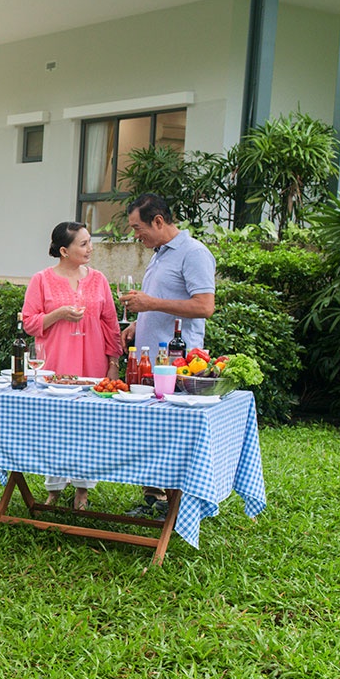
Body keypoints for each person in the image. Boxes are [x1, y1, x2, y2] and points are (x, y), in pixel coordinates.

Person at [120, 192, 216, 514]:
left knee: (172, 437)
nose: (135, 235)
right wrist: (138, 322)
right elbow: (162, 301)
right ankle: (153, 499)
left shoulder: (194, 253)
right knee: (148, 434)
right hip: (150, 361)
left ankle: (176, 506)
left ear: (158, 221)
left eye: (138, 228)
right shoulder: (160, 253)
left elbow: (205, 307)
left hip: (178, 364)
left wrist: (150, 304)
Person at [21, 221, 122, 510]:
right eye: (84, 244)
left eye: (90, 242)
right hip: (56, 363)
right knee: (55, 426)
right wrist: (59, 314)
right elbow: (29, 323)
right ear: (64, 250)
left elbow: (110, 323)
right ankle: (53, 487)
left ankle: (83, 488)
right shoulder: (41, 280)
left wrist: (113, 361)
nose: (90, 248)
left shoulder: (99, 279)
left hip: (92, 362)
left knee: (88, 426)